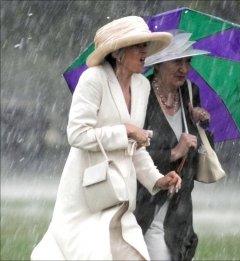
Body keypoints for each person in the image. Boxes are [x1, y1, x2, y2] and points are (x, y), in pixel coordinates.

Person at [31, 16, 182, 260]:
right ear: (118, 52)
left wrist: (157, 180)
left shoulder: (142, 85)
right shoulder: (93, 79)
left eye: (146, 45)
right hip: (87, 195)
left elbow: (134, 146)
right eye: (138, 45)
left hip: (119, 197)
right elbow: (77, 134)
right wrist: (125, 131)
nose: (144, 51)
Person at [134, 32, 212, 261]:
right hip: (147, 206)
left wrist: (202, 125)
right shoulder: (141, 93)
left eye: (188, 61)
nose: (184, 68)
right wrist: (173, 152)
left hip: (180, 212)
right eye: (177, 61)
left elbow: (199, 157)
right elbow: (132, 152)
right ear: (157, 64)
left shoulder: (190, 92)